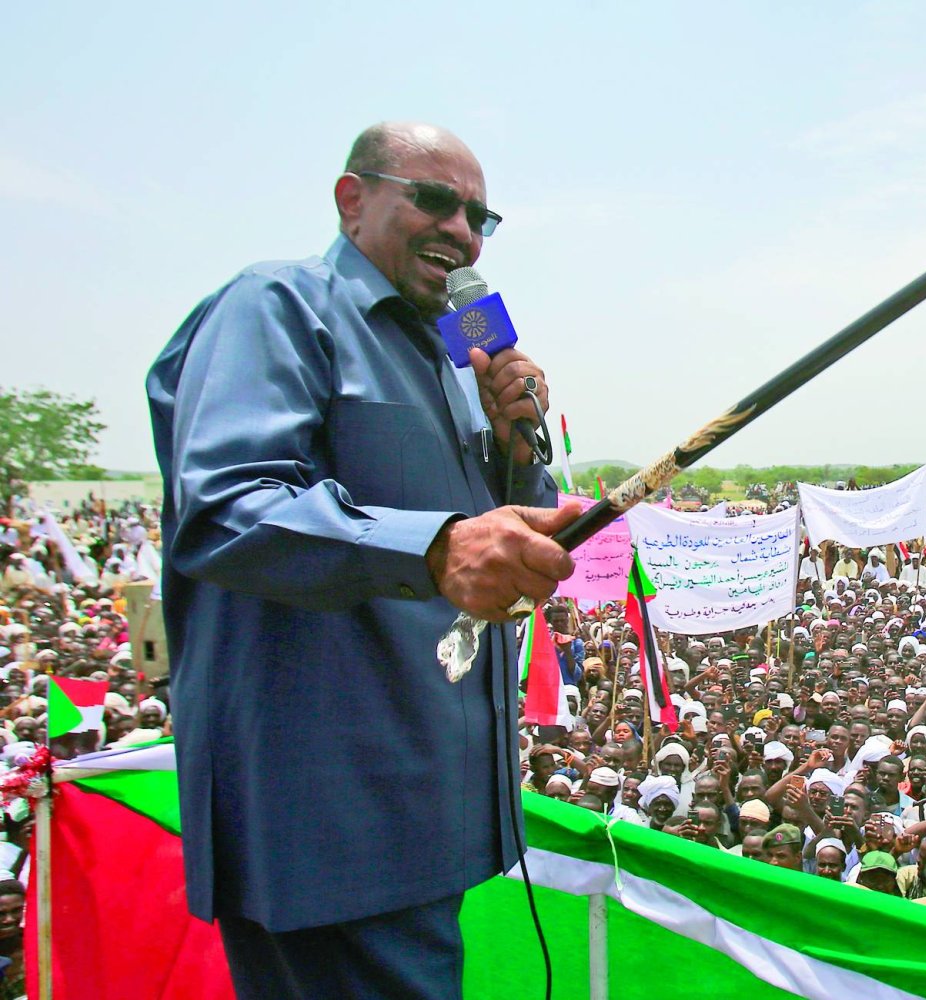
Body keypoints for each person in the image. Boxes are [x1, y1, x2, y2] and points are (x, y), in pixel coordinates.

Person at [146, 122, 574, 997]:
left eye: (480, 217)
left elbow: (486, 527)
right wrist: (436, 544)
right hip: (330, 816)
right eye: (433, 199)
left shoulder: (461, 351)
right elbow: (225, 506)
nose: (461, 229)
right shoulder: (275, 306)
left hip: (429, 802)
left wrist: (514, 446)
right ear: (352, 198)